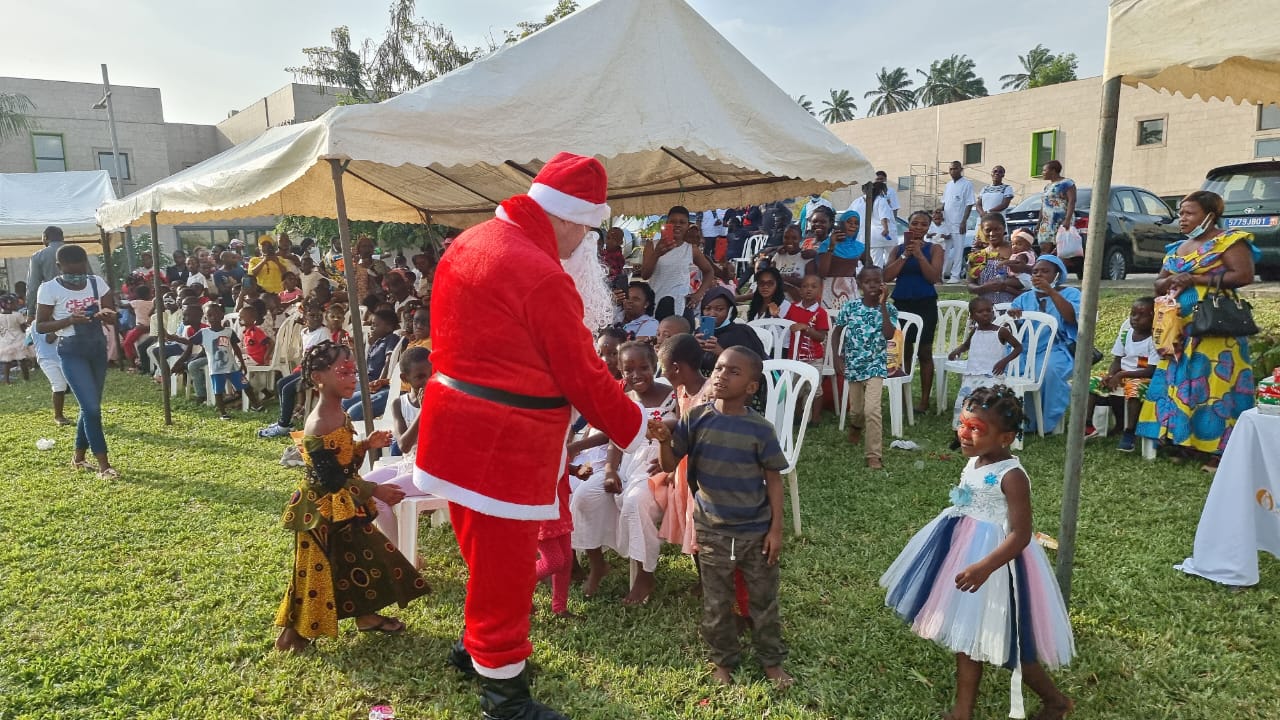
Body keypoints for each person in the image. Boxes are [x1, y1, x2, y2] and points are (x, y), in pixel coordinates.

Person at [413, 152, 651, 720]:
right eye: (588, 231)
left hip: (454, 429)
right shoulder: (540, 272)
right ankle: (504, 694)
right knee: (507, 567)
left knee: (482, 554)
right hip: (503, 443)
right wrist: (636, 423)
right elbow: (584, 375)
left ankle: (477, 649)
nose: (586, 245)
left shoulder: (471, 240)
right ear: (569, 218)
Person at [881, 386, 1075, 720]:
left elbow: (1021, 534)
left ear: (1006, 437)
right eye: (963, 425)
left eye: (976, 429)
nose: (965, 434)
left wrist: (984, 567)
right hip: (961, 549)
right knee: (966, 633)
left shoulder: (1012, 476)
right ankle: (962, 711)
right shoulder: (975, 460)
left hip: (997, 563)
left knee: (1011, 644)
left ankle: (1055, 701)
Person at [273, 342, 430, 653]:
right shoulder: (319, 421)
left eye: (352, 372)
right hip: (320, 511)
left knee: (358, 558)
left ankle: (367, 616)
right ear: (318, 377)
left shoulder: (338, 412)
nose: (351, 379)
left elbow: (343, 463)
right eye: (342, 372)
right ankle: (291, 636)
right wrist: (376, 490)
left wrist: (364, 446)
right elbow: (329, 478)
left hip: (341, 506)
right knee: (316, 572)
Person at [654, 346, 793, 688]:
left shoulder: (760, 429)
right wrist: (662, 440)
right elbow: (671, 463)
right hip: (713, 529)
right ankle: (723, 660)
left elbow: (773, 480)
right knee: (716, 601)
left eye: (733, 372)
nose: (720, 376)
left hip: (755, 530)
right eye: (718, 368)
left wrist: (776, 529)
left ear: (751, 387)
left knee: (763, 599)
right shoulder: (696, 418)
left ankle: (771, 661)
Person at [1137, 191, 1259, 471]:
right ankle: (1185, 442)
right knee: (1183, 382)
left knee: (1217, 383)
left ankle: (1220, 450)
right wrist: (1169, 282)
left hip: (1215, 326)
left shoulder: (1229, 241)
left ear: (1210, 216)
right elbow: (1159, 282)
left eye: (1189, 213)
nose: (1182, 218)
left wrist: (1195, 278)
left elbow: (1243, 275)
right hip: (1178, 328)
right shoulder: (1176, 248)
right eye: (1180, 213)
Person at [591, 341, 675, 605]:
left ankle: (645, 573)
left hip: (658, 463)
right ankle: (597, 564)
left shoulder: (671, 395)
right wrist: (608, 470)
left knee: (635, 502)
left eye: (644, 367)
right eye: (629, 369)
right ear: (620, 370)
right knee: (585, 497)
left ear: (655, 366)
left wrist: (668, 450)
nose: (637, 374)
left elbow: (682, 427)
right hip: (626, 462)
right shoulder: (623, 397)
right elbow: (617, 438)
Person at [34, 244, 119, 479]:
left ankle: (79, 458)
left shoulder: (96, 283)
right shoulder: (49, 289)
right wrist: (69, 320)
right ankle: (104, 465)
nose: (76, 278)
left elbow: (114, 315)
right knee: (92, 408)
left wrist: (108, 315)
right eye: (71, 272)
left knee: (88, 407)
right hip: (71, 351)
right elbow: (41, 326)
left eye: (80, 271)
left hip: (96, 349)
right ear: (59, 267)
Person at [1007, 255, 1081, 434]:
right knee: (1008, 370)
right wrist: (1013, 317)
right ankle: (1018, 420)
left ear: (1058, 274)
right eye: (1035, 271)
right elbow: (1010, 327)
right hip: (1024, 350)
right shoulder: (1024, 298)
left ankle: (1046, 423)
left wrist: (1051, 292)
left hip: (1057, 349)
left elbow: (1072, 318)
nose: (1039, 275)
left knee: (1048, 371)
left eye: (1045, 271)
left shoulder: (1071, 293)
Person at [835, 266, 897, 469]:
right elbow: (837, 332)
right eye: (867, 281)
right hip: (853, 364)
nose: (872, 285)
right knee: (858, 411)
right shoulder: (851, 307)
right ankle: (855, 426)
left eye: (876, 281)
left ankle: (873, 454)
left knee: (872, 410)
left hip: (876, 365)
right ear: (860, 285)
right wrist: (838, 357)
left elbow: (888, 335)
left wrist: (884, 305)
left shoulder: (890, 309)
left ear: (883, 284)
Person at [883, 210, 944, 413]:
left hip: (925, 302)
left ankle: (924, 400)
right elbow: (887, 275)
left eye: (923, 224)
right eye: (915, 223)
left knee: (925, 351)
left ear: (928, 228)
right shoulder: (897, 249)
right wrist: (905, 255)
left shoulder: (935, 249)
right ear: (908, 226)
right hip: (901, 302)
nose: (918, 228)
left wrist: (919, 255)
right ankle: (902, 397)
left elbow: (933, 277)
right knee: (903, 351)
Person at [1087, 297, 1158, 451]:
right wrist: (1111, 375)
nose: (1135, 318)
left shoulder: (1154, 339)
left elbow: (1151, 370)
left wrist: (1121, 375)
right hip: (1122, 374)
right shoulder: (1126, 333)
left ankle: (1129, 431)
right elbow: (1117, 360)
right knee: (1093, 381)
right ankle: (1087, 425)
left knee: (1133, 388)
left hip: (1143, 376)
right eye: (1133, 314)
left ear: (1154, 317)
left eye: (1142, 315)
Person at [175, 303, 263, 420]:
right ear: (206, 318)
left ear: (222, 315)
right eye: (210, 315)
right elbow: (188, 341)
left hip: (232, 367)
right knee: (218, 391)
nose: (214, 317)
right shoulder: (204, 333)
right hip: (216, 369)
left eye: (216, 314)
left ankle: (256, 405)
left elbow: (235, 347)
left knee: (245, 385)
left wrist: (241, 362)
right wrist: (172, 337)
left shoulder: (228, 332)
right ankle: (223, 413)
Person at [948, 297, 1022, 431]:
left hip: (991, 377)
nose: (986, 314)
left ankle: (988, 430)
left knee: (988, 405)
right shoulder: (975, 331)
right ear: (972, 315)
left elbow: (1018, 347)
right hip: (972, 376)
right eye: (980, 312)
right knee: (964, 404)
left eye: (989, 310)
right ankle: (963, 430)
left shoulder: (1001, 332)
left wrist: (1004, 361)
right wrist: (957, 351)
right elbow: (966, 345)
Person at [640, 206, 715, 321]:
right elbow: (645, 275)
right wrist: (657, 254)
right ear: (667, 223)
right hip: (656, 301)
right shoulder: (652, 245)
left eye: (682, 222)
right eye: (673, 222)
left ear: (688, 226)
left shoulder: (691, 249)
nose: (678, 225)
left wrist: (699, 294)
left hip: (680, 304)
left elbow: (709, 271)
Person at [781, 274, 830, 424]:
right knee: (795, 387)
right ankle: (797, 416)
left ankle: (815, 418)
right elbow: (785, 325)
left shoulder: (821, 313)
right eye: (805, 286)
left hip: (814, 358)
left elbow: (821, 337)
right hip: (794, 356)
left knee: (814, 388)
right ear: (800, 290)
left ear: (820, 291)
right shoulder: (793, 308)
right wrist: (776, 315)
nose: (809, 289)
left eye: (813, 286)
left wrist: (806, 329)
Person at [697, 286, 766, 372]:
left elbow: (753, 367)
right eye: (707, 309)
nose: (712, 314)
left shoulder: (742, 333)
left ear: (730, 310)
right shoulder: (699, 333)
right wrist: (693, 347)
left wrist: (722, 353)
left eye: (719, 309)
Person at [967, 213, 1025, 305]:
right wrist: (984, 288)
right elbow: (970, 285)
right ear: (982, 231)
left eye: (997, 229)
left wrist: (1005, 286)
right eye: (988, 230)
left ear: (1004, 228)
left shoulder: (1018, 252)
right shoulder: (978, 256)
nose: (992, 233)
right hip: (986, 311)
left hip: (1013, 309)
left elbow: (1029, 280)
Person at [817, 210, 869, 310]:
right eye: (849, 222)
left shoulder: (860, 247)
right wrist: (831, 246)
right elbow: (822, 272)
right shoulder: (826, 244)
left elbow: (869, 267)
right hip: (829, 290)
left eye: (856, 223)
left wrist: (859, 281)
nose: (853, 225)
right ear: (841, 224)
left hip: (850, 291)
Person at [942, 161, 976, 283]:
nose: (952, 171)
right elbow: (944, 204)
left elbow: (969, 203)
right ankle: (941, 274)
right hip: (947, 223)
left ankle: (955, 276)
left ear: (960, 169)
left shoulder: (967, 184)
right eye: (950, 169)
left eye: (955, 169)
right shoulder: (948, 185)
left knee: (958, 250)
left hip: (958, 223)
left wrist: (964, 221)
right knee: (945, 249)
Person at [1036, 160, 1077, 255]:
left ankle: (1060, 269)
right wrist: (1039, 223)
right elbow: (1043, 205)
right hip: (1047, 222)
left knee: (1061, 250)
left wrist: (1067, 220)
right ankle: (1046, 268)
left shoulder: (1067, 183)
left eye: (1044, 170)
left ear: (1053, 171)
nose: (1042, 173)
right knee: (1044, 249)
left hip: (1061, 221)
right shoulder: (1047, 187)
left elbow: (1072, 201)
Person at [769, 225, 808, 297]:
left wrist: (784, 278)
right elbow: (770, 277)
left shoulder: (806, 257)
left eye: (794, 238)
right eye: (786, 238)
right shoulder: (778, 256)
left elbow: (808, 284)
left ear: (800, 239)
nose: (790, 241)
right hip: (777, 299)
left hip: (797, 300)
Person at [868, 181, 898, 267]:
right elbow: (883, 217)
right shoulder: (882, 200)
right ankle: (888, 277)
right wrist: (886, 229)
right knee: (891, 260)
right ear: (882, 190)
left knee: (876, 263)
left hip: (874, 236)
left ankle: (877, 279)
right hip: (885, 234)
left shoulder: (870, 201)